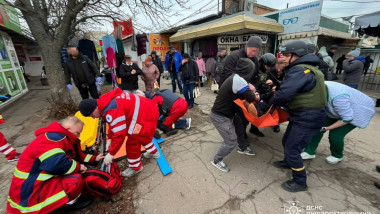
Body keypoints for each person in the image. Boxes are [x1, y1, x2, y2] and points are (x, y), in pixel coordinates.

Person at [7, 117, 99, 214]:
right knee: (74, 180)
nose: (78, 136)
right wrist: (78, 167)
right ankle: (64, 205)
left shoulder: (59, 137)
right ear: (68, 129)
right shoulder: (53, 139)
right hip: (30, 196)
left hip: (30, 189)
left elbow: (76, 155)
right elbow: (56, 164)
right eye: (77, 133)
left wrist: (94, 158)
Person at [271, 40, 327, 192]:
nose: (284, 58)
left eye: (287, 55)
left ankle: (300, 181)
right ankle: (289, 162)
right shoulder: (307, 69)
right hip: (302, 115)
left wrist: (268, 104)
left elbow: (285, 94)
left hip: (307, 117)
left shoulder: (301, 70)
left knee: (292, 148)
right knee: (287, 141)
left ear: (298, 55)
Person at [78, 88, 160, 178]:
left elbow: (120, 133)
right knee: (142, 136)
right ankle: (154, 152)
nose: (94, 118)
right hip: (148, 110)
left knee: (132, 142)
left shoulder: (111, 110)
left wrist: (111, 154)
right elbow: (114, 124)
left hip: (145, 116)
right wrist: (110, 138)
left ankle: (135, 167)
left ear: (95, 109)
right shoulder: (106, 101)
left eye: (92, 115)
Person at [301, 81, 375, 164]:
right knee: (318, 127)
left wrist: (327, 128)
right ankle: (310, 151)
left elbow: (347, 118)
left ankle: (337, 155)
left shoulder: (339, 98)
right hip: (338, 108)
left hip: (357, 111)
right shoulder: (318, 85)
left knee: (335, 135)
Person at [210, 58, 260, 172]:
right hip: (220, 116)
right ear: (248, 71)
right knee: (231, 140)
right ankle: (217, 160)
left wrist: (249, 87)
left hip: (228, 114)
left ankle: (242, 147)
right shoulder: (239, 81)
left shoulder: (235, 77)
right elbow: (252, 98)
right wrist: (254, 93)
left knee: (240, 125)